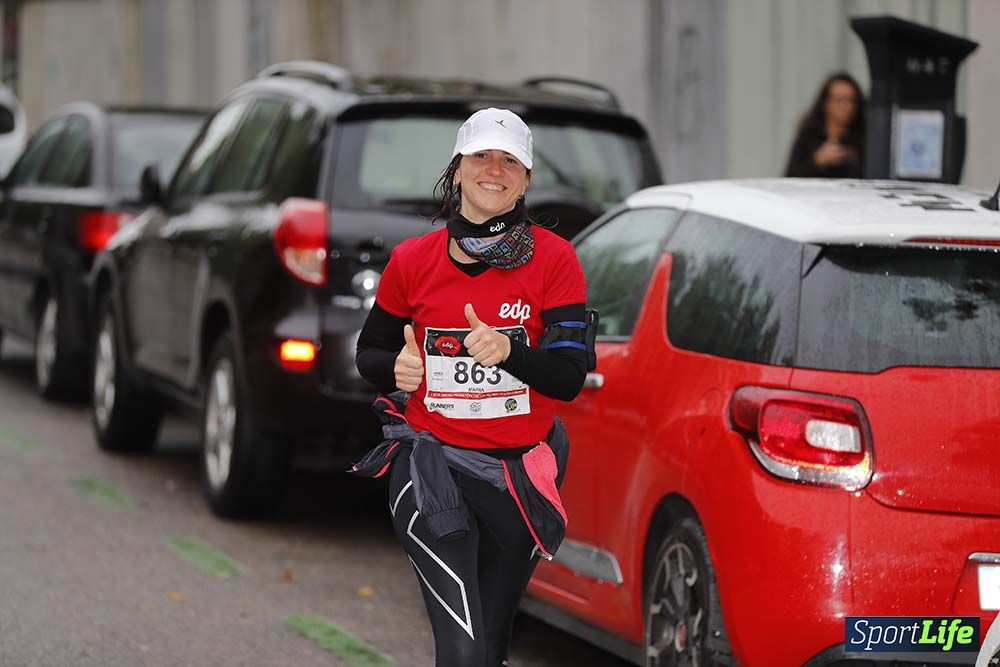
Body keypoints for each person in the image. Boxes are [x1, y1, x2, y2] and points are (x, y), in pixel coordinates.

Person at [353, 107, 590, 666]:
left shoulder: (554, 260)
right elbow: (369, 353)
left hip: (519, 478)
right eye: (482, 155)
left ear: (526, 180)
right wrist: (398, 370)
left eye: (511, 160)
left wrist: (511, 351)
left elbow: (570, 376)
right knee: (461, 653)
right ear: (457, 169)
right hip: (433, 469)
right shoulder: (412, 261)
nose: (495, 169)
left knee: (490, 649)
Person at [785, 72, 866, 178]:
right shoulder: (809, 137)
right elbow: (791, 176)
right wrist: (817, 161)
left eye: (852, 100)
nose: (846, 107)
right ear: (825, 102)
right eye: (839, 100)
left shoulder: (864, 138)